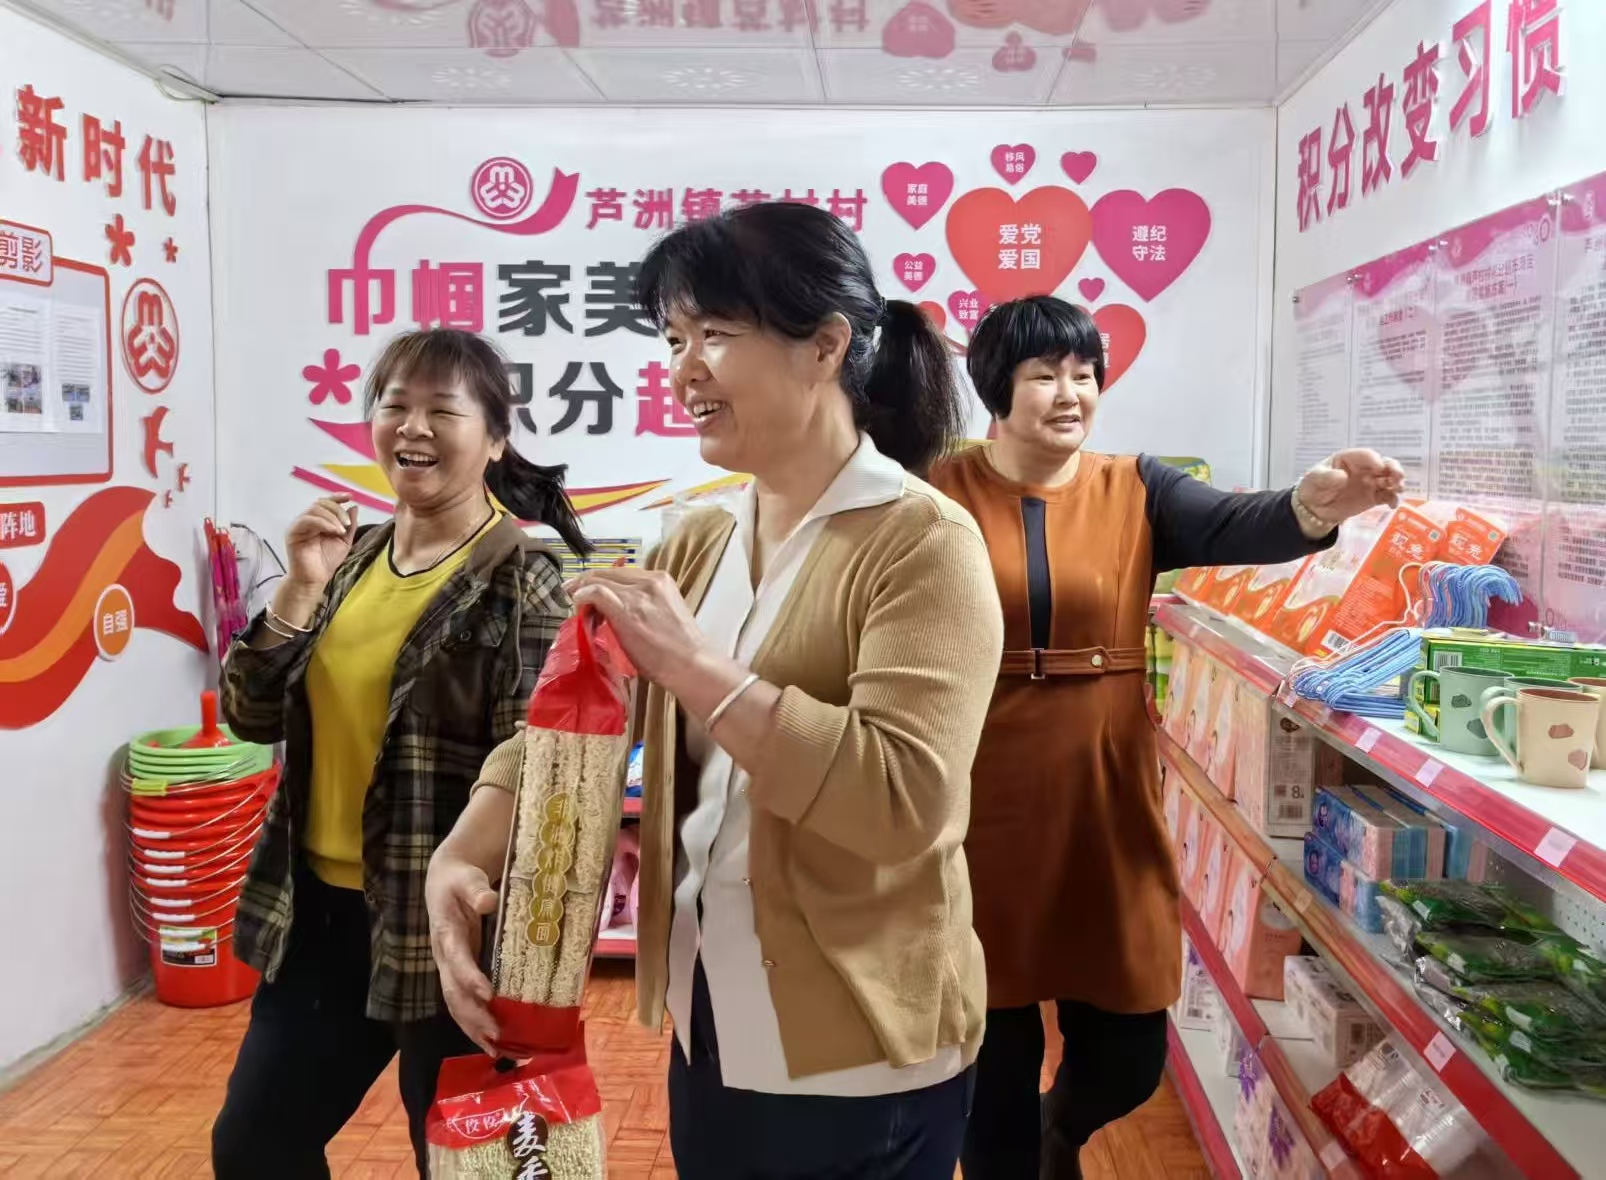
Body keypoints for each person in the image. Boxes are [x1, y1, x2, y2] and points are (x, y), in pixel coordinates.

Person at [426, 201, 1004, 1178]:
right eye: (673, 339)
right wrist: (461, 851)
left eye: (716, 335)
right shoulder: (695, 541)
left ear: (825, 346)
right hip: (710, 1017)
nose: (683, 369)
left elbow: (903, 800)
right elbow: (576, 730)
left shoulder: (923, 543)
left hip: (864, 1050)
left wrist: (697, 669)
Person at [929, 296, 1406, 1179]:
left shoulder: (1137, 486)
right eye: (1044, 375)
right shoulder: (936, 492)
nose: (1070, 393)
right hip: (974, 800)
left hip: (1105, 796)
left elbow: (1239, 521)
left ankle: (1060, 1130)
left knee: (1129, 1051)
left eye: (1085, 374)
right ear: (997, 386)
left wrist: (1313, 503)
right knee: (987, 1060)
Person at [211, 329, 588, 1179]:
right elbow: (251, 716)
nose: (412, 427)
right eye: (395, 406)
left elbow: (538, 771)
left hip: (452, 932)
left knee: (467, 1168)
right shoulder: (349, 561)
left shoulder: (522, 579)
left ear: (495, 439)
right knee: (254, 1145)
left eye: (442, 410)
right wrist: (298, 589)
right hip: (320, 920)